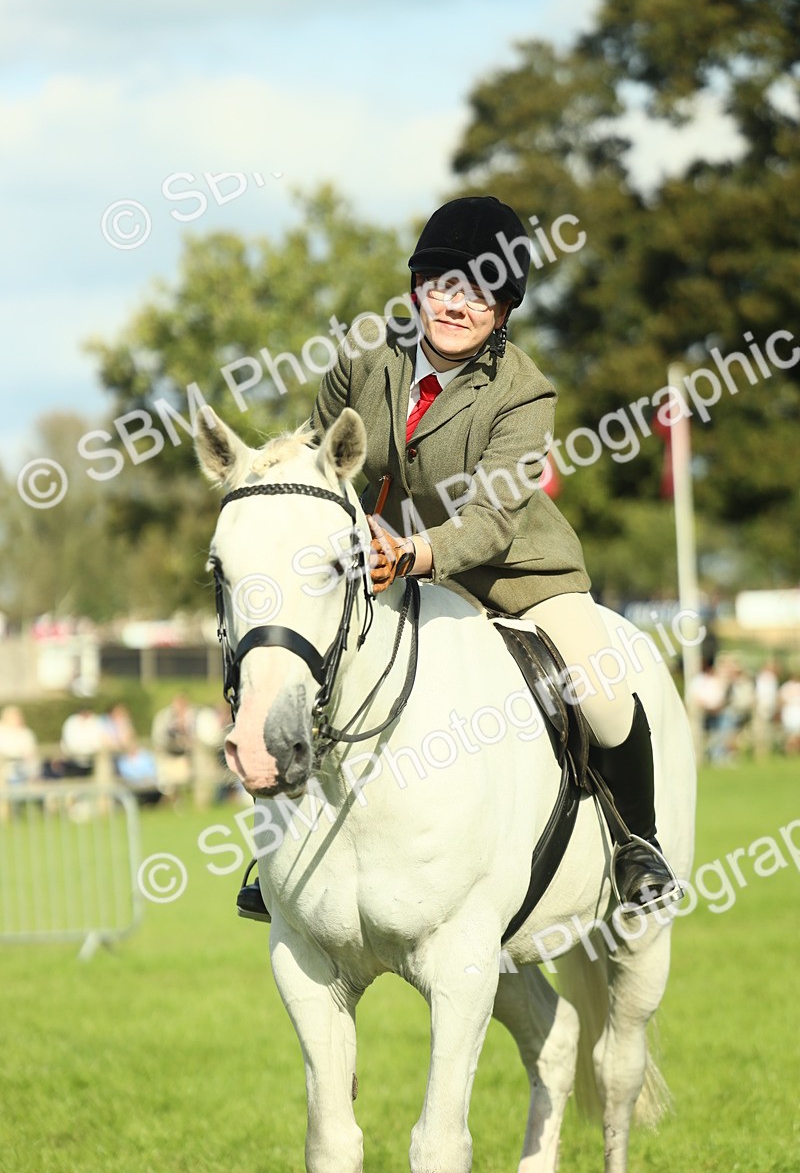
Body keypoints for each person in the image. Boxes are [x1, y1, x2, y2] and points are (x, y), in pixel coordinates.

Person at [237, 195, 682, 922]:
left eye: (478, 294)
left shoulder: (524, 391)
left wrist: (412, 552)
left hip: (516, 574)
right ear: (418, 289)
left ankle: (640, 844)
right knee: (310, 669)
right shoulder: (362, 358)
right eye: (443, 284)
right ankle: (287, 854)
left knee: (602, 699)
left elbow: (491, 521)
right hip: (383, 561)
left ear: (503, 312)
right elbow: (323, 462)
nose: (456, 305)